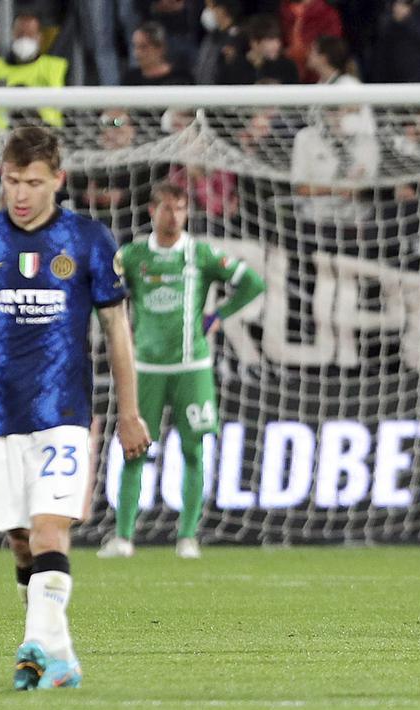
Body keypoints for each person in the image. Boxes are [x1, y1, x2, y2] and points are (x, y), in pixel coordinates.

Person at [0, 126, 151, 690]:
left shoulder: (87, 240)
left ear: (58, 180)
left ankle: (34, 648)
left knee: (48, 531)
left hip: (64, 415)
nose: (21, 194)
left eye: (33, 183)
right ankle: (58, 657)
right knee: (20, 540)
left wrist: (129, 413)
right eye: (12, 181)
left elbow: (117, 332)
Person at [98, 182, 264, 560]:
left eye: (180, 209)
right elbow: (103, 292)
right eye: (167, 208)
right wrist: (116, 324)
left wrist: (218, 315)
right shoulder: (133, 255)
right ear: (151, 211)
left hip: (192, 367)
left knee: (193, 449)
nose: (174, 216)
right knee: (134, 450)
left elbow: (253, 283)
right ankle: (123, 538)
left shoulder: (200, 254)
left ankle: (188, 537)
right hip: (145, 368)